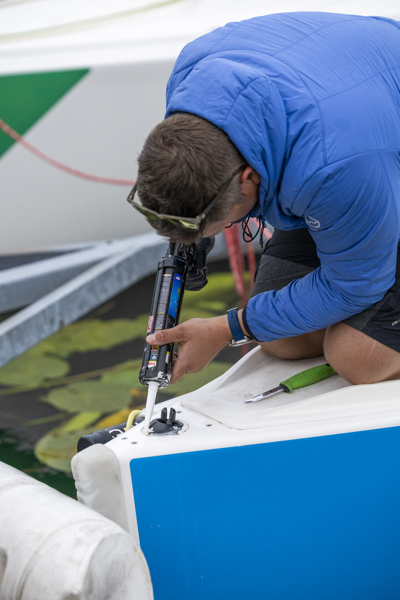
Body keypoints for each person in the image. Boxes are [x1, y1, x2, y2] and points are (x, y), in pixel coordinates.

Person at [129, 11, 400, 386]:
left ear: (248, 178)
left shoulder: (334, 165)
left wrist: (227, 329)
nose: (225, 226)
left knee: (359, 357)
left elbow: (353, 286)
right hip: (340, 140)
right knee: (281, 338)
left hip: (353, 158)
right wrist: (193, 236)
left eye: (225, 221)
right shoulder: (190, 83)